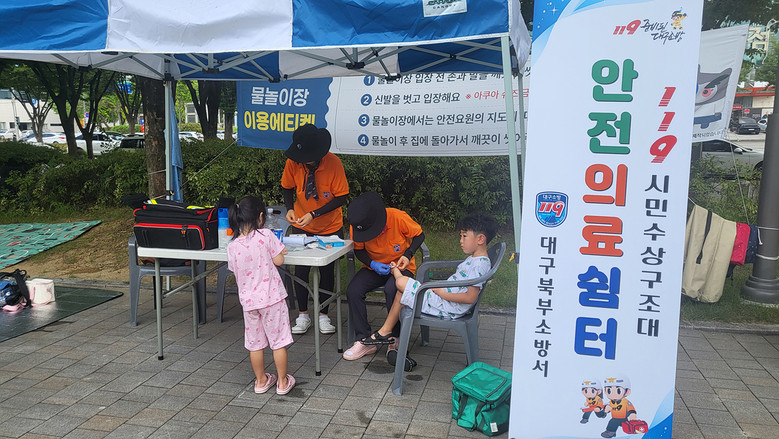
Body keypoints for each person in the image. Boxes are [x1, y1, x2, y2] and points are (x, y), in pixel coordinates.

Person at [359, 213, 497, 369]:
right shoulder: (476, 259)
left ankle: (387, 330)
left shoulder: (479, 265)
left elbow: (471, 298)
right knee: (402, 291)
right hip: (444, 299)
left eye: (464, 236)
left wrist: (442, 293)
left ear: (480, 239)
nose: (460, 240)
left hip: (448, 306)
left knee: (402, 284)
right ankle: (387, 332)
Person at [281, 124, 349, 335]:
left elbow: (341, 197)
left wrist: (315, 213)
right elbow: (286, 187)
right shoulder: (293, 162)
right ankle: (303, 315)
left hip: (330, 226)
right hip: (301, 224)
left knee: (327, 270)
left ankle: (323, 314)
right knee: (301, 270)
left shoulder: (333, 163)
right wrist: (290, 209)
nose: (304, 161)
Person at [342, 191, 425, 361]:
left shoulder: (397, 217)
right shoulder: (358, 223)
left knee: (392, 289)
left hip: (401, 267)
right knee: (353, 291)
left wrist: (408, 254)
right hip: (374, 267)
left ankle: (395, 338)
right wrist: (372, 264)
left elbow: (419, 235)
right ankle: (364, 340)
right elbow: (359, 251)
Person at [226, 196, 295, 395]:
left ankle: (261, 380)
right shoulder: (265, 235)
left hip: (249, 302)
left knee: (255, 344)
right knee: (278, 341)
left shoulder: (232, 246)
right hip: (271, 298)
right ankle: (282, 382)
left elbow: (234, 269)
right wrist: (281, 251)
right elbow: (279, 260)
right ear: (261, 217)